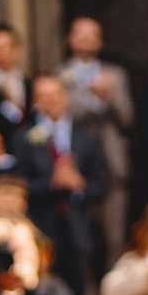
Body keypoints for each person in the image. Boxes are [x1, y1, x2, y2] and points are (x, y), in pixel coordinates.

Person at [15, 72, 108, 295]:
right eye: (44, 96)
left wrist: (80, 185)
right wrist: (52, 184)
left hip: (79, 223)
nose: (51, 100)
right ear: (36, 101)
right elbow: (18, 185)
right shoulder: (24, 138)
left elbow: (103, 183)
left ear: (65, 96)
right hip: (43, 223)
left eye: (55, 94)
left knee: (79, 285)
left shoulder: (86, 136)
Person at [59, 15, 136, 271]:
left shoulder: (114, 74)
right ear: (70, 39)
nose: (86, 40)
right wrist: (91, 99)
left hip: (111, 161)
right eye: (80, 34)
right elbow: (62, 113)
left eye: (92, 35)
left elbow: (127, 117)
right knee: (82, 237)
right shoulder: (61, 74)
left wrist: (108, 97)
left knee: (114, 235)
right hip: (77, 162)